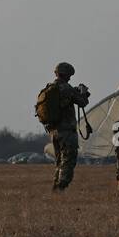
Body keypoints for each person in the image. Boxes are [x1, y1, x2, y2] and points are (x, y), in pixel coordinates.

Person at [36, 61, 90, 192]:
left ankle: (56, 186)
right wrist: (84, 93)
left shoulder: (50, 88)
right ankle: (61, 186)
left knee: (60, 160)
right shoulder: (66, 88)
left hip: (54, 131)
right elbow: (82, 102)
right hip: (66, 131)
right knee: (68, 160)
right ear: (67, 75)